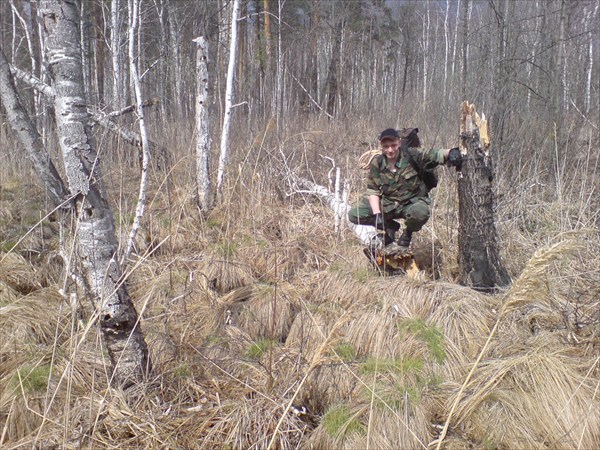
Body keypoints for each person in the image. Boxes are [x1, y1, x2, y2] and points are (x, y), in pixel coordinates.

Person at [348, 127, 461, 254]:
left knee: (420, 213)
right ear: (381, 146)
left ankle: (407, 234)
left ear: (399, 143)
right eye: (386, 146)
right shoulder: (377, 162)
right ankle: (390, 227)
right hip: (388, 204)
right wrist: (377, 215)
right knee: (354, 214)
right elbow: (373, 191)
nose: (390, 150)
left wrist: (452, 152)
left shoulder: (412, 155)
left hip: (411, 204)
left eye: (393, 145)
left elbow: (436, 154)